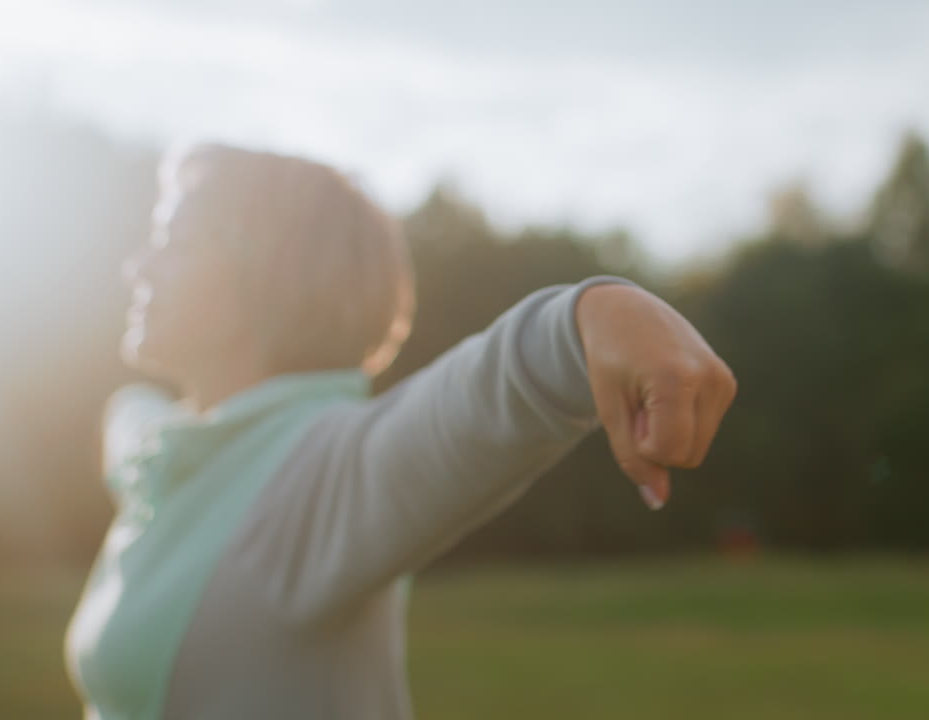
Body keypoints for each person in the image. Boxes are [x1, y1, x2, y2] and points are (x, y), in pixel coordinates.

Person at [65, 143, 737, 720]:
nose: (139, 267)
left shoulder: (318, 473)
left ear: (264, 278)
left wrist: (588, 318)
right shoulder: (168, 445)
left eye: (172, 242)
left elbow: (465, 406)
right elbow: (128, 424)